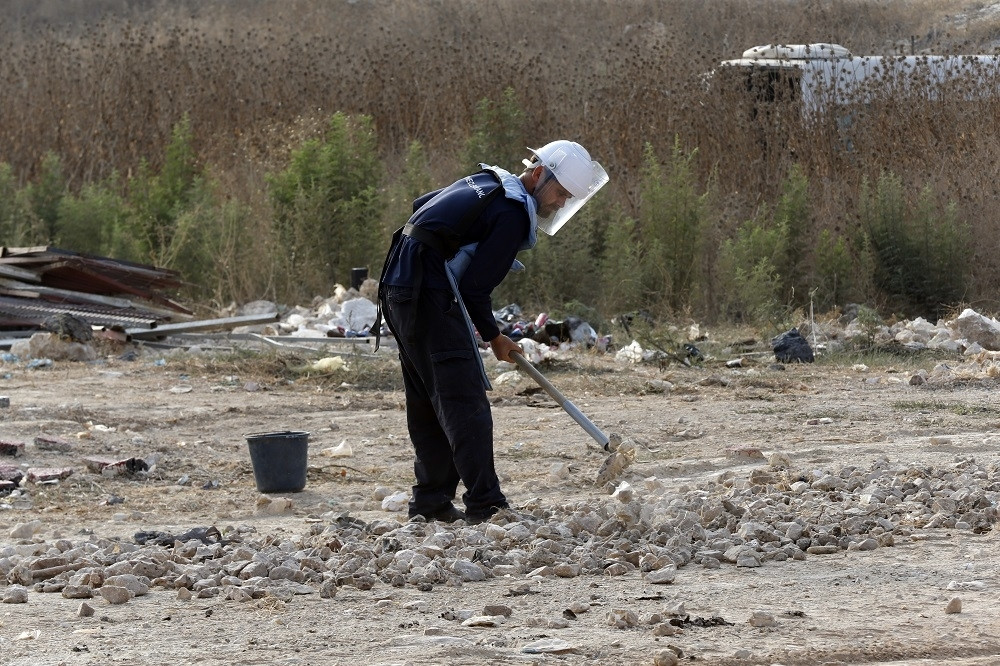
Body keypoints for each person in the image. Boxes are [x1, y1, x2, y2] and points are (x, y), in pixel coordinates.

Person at [375, 140, 609, 523]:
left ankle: (431, 502)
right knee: (464, 398)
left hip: (398, 284)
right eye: (560, 192)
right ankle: (486, 505)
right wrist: (495, 336)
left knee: (430, 398)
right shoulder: (512, 212)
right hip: (426, 290)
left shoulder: (487, 183)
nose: (560, 203)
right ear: (538, 173)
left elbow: (424, 204)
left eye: (568, 198)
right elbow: (474, 289)